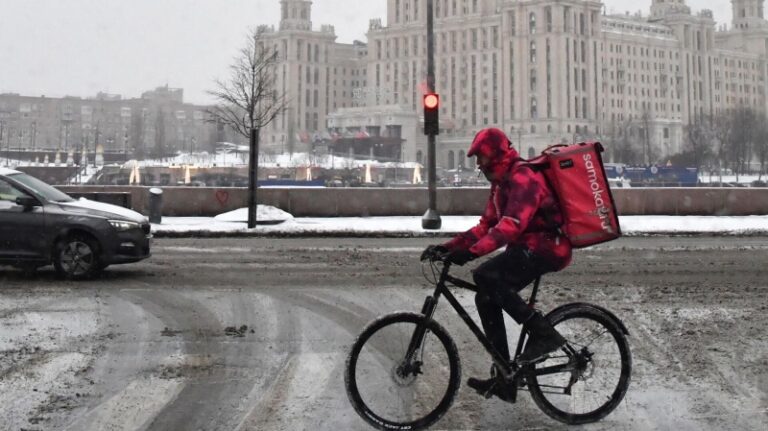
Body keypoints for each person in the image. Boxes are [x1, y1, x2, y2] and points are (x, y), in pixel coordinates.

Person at [420, 127, 572, 401]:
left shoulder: (524, 176)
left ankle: (544, 335)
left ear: (496, 155)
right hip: (526, 248)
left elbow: (511, 226)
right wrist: (448, 247)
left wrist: (472, 254)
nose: (478, 164)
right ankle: (506, 377)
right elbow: (486, 225)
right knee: (485, 299)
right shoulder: (501, 184)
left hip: (547, 248)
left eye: (481, 157)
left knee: (485, 275)